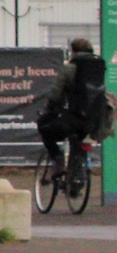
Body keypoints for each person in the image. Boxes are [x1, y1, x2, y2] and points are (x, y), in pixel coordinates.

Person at [36, 37, 112, 173]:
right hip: (97, 120)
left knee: (45, 126)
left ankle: (58, 159)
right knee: (83, 135)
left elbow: (56, 95)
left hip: (75, 118)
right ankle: (85, 163)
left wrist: (51, 109)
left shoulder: (69, 68)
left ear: (73, 51)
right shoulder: (99, 68)